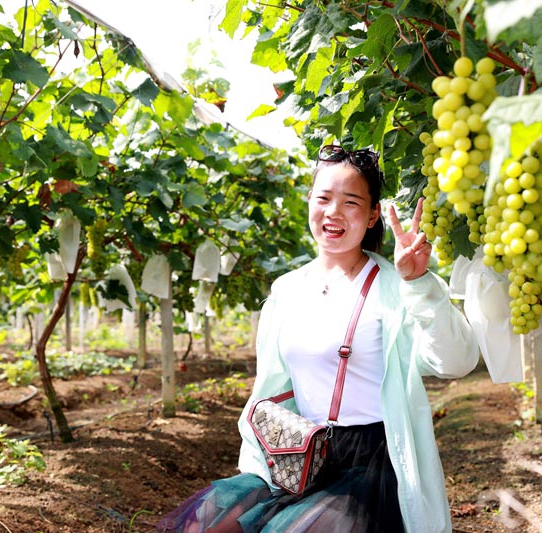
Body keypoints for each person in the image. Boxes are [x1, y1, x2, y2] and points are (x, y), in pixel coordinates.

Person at [156, 144, 480, 533]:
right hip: (298, 454)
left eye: (351, 202)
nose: (334, 213)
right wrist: (260, 470)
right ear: (309, 200)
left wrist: (419, 283)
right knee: (204, 527)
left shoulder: (396, 287)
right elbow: (270, 389)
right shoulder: (287, 290)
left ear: (374, 214)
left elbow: (457, 362)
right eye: (324, 198)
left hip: (370, 463)